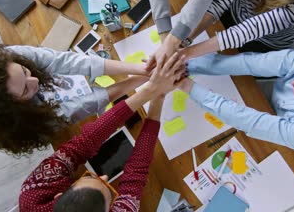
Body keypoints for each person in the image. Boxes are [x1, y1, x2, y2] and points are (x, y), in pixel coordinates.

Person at [18, 53, 186, 212]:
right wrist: (159, 96)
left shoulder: (32, 196)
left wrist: (150, 90)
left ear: (59, 196)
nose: (105, 177)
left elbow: (83, 143)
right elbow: (137, 173)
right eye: (109, 191)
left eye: (91, 177)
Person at [0, 45, 150, 155]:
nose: (35, 80)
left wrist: (141, 70)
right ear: (12, 107)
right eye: (25, 89)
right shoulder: (26, 125)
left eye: (25, 71)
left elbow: (67, 61)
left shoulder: (8, 58)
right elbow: (84, 105)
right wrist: (145, 80)